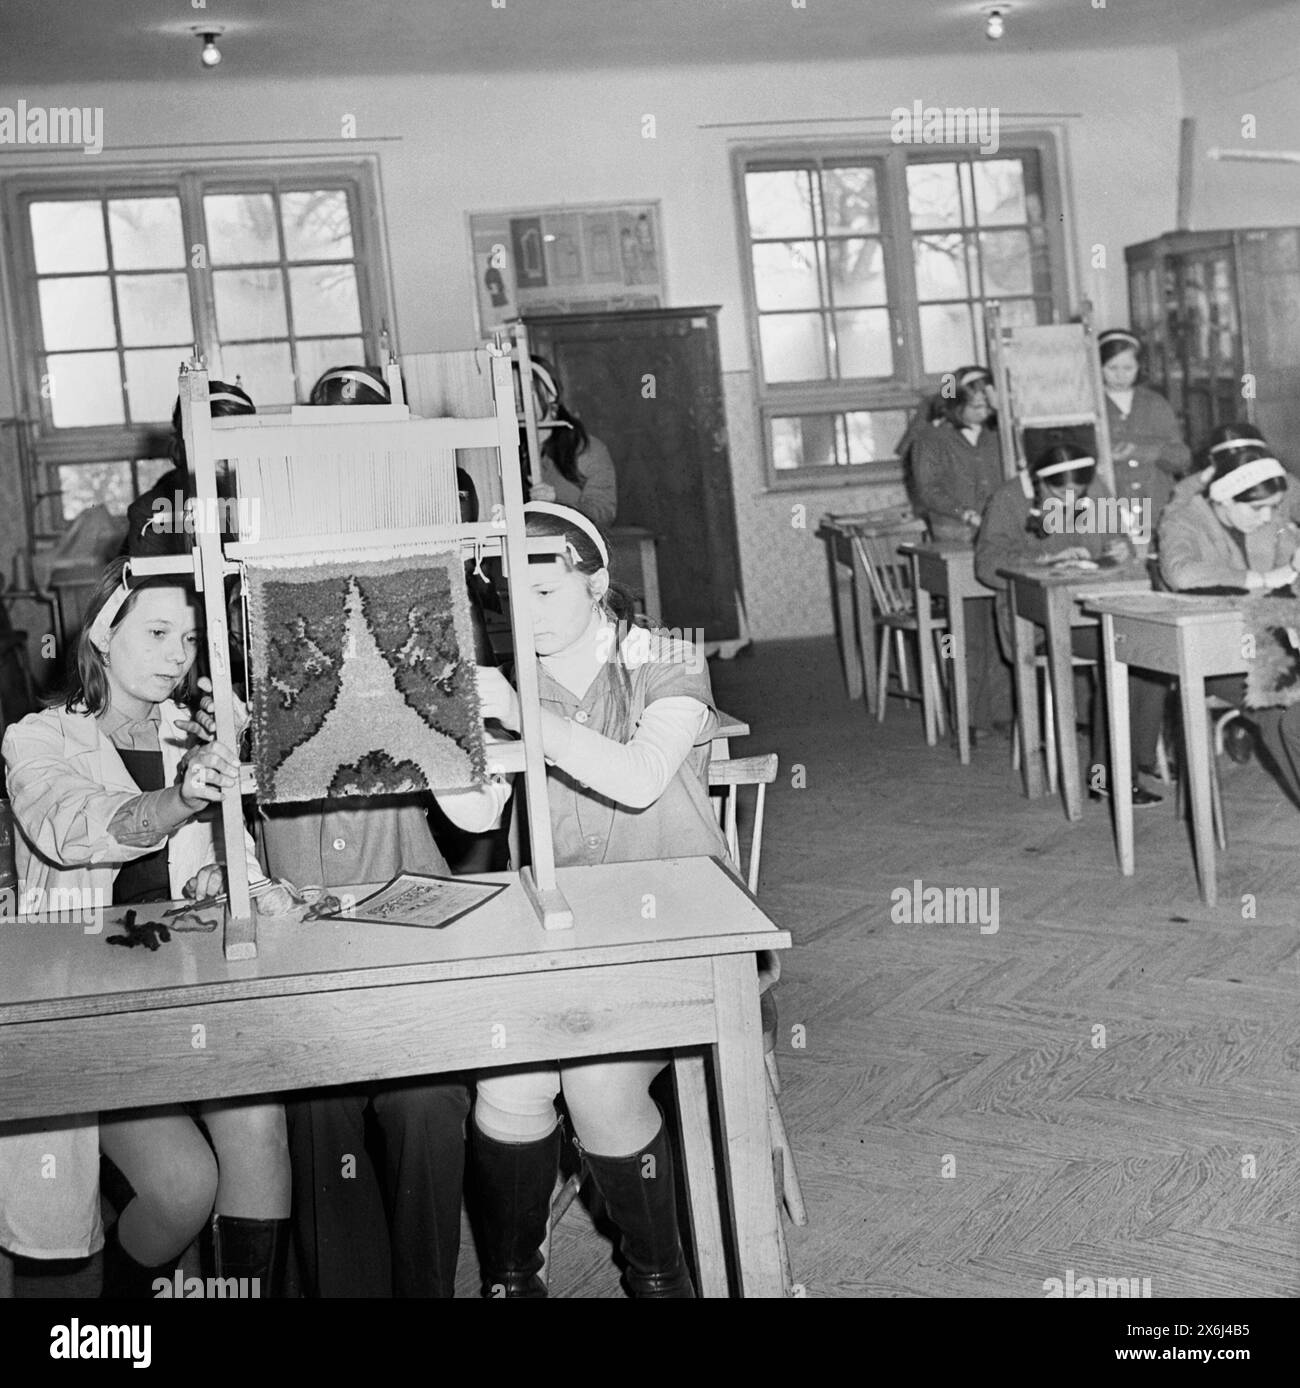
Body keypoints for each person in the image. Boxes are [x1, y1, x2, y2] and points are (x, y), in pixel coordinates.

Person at [256, 365, 511, 1298]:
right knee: (319, 1109)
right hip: (300, 927)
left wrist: (462, 714)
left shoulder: (422, 605)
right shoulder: (263, 603)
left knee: (423, 1103)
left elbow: (477, 811)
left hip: (406, 910)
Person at [0, 559, 291, 1297]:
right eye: (158, 632)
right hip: (84, 1010)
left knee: (257, 1119)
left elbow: (231, 869)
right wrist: (183, 797)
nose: (177, 655)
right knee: (184, 1187)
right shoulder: (36, 740)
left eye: (191, 639)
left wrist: (242, 880)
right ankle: (115, 1321)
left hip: (184, 994)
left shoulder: (194, 737)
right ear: (101, 635)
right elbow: (76, 828)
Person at [471, 501, 726, 1298]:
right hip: (568, 933)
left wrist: (520, 720)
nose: (527, 615)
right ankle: (513, 1282)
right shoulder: (520, 680)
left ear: (598, 583)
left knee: (593, 1080)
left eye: (544, 592)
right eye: (511, 596)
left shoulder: (665, 653)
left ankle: (662, 1279)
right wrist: (433, 741)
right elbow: (477, 815)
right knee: (506, 1082)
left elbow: (640, 780)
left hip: (690, 929)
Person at [976, 445, 1166, 807]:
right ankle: (1112, 774)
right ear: (1038, 480)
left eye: (1076, 492)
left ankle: (1131, 762)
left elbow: (1119, 539)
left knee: (1149, 653)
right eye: (1058, 493)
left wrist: (1121, 547)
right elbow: (986, 564)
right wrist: (1045, 558)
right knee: (1123, 656)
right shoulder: (1010, 498)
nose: (1070, 499)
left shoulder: (1093, 489)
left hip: (1093, 609)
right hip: (1040, 621)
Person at [1158, 444, 1300, 791]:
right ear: (1224, 498)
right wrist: (1263, 579)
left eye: (1273, 507)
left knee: (1289, 716)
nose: (1268, 516)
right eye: (1257, 508)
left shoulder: (1271, 521)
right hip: (1216, 652)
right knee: (1284, 714)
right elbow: (1181, 574)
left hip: (1272, 643)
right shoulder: (1184, 520)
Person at [910, 366, 1010, 740]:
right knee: (967, 632)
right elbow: (929, 489)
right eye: (975, 403)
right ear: (954, 404)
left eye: (988, 403)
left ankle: (1003, 711)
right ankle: (970, 717)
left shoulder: (1001, 437)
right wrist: (963, 512)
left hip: (997, 542)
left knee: (1003, 625)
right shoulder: (931, 439)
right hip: (956, 543)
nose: (983, 409)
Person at [124, 381, 256, 558]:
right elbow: (153, 584)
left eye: (235, 444)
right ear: (181, 446)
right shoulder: (150, 513)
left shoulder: (270, 498)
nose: (225, 459)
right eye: (212, 445)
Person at [1097, 328, 1191, 519]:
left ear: (1139, 366)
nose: (1121, 375)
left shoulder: (1155, 403)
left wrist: (1141, 451)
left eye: (1128, 368)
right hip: (1109, 505)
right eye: (1112, 368)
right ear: (1098, 367)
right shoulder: (1092, 406)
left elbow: (1182, 459)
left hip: (1156, 503)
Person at [519, 356, 617, 527]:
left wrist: (557, 503)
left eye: (524, 390)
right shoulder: (505, 449)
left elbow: (604, 513)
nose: (516, 400)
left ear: (550, 394)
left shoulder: (586, 449)